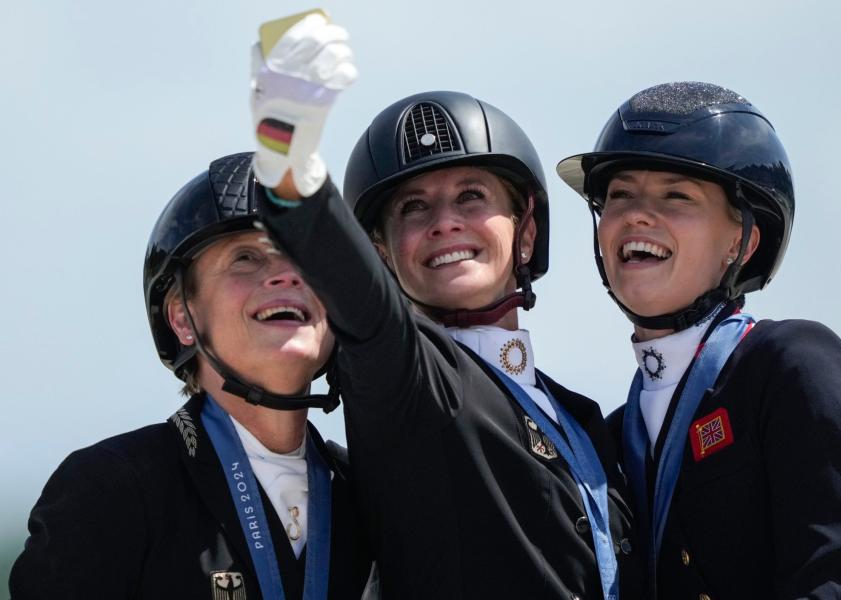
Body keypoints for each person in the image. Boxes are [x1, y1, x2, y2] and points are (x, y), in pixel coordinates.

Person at [248, 17, 641, 600]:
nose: (445, 222)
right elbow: (365, 302)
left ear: (526, 230)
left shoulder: (583, 422)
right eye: (413, 208)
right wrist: (289, 160)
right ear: (381, 252)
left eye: (472, 196)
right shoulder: (407, 379)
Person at [556, 81, 841, 599]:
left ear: (741, 240)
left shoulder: (793, 365)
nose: (637, 215)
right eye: (620, 195)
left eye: (676, 195)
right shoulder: (612, 438)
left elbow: (830, 580)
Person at [9, 151, 373, 599]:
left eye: (304, 256)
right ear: (182, 317)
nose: (285, 274)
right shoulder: (110, 488)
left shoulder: (371, 495)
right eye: (246, 258)